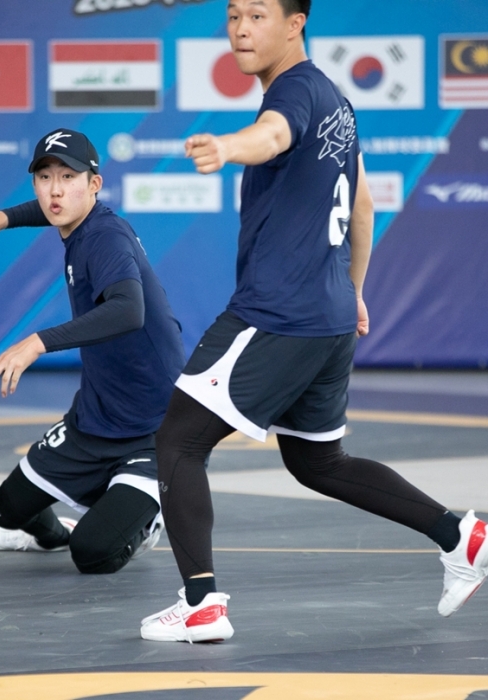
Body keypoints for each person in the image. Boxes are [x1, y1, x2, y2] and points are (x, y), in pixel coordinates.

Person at [139, 0, 488, 643]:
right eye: (234, 15)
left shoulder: (295, 92)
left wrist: (228, 146)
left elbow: (271, 135)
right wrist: (351, 293)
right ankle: (461, 536)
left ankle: (202, 606)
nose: (242, 28)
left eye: (258, 16)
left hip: (279, 313)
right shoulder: (336, 101)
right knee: (317, 463)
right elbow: (364, 205)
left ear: (295, 24)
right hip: (325, 316)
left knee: (178, 443)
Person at [0, 128, 185, 574]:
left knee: (95, 553)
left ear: (94, 184)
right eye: (44, 177)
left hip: (155, 428)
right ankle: (56, 536)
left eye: (69, 176)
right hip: (94, 420)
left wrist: (37, 342)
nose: (55, 190)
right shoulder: (76, 220)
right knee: (3, 512)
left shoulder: (105, 237)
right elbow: (55, 209)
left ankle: (146, 517)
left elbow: (128, 310)